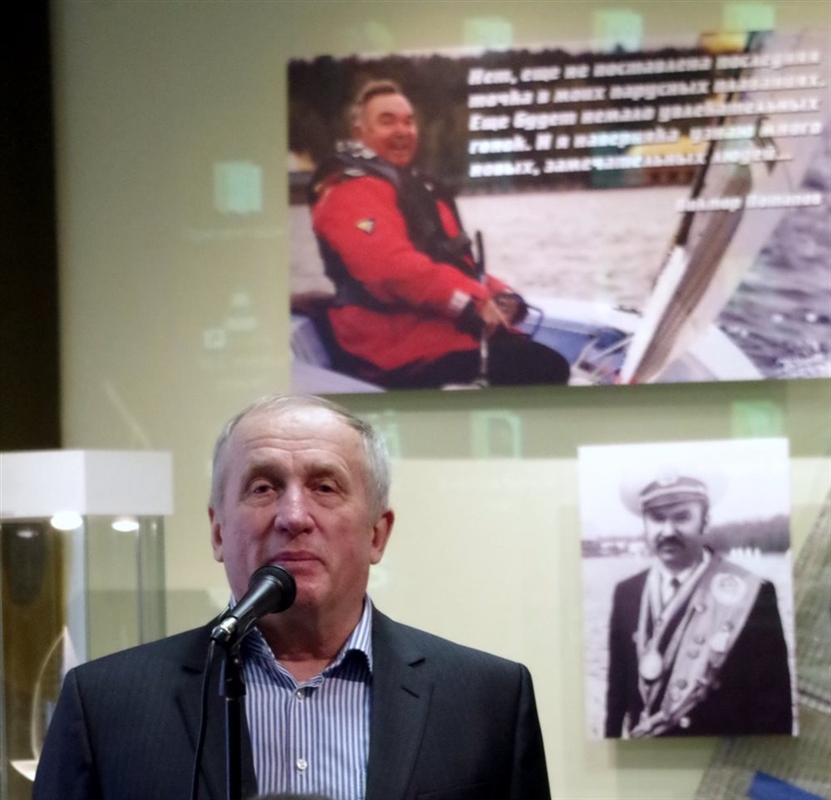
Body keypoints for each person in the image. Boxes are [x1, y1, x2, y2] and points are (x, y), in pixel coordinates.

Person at [34, 394, 551, 799]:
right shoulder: (103, 706)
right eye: (263, 487)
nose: (294, 516)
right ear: (217, 532)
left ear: (377, 534)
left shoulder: (488, 701)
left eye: (325, 487)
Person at [306, 79, 570, 389]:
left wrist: (502, 295)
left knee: (543, 360)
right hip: (395, 350)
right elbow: (390, 269)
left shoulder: (416, 189)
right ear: (359, 134)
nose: (402, 131)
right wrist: (470, 302)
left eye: (408, 122)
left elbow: (459, 264)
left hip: (436, 335)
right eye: (387, 121)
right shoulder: (347, 192)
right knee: (545, 366)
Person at [604, 470, 794, 738]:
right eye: (657, 518)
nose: (668, 531)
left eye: (682, 517)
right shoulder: (626, 592)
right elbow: (616, 696)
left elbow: (774, 709)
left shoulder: (753, 593)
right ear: (644, 524)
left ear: (705, 521)